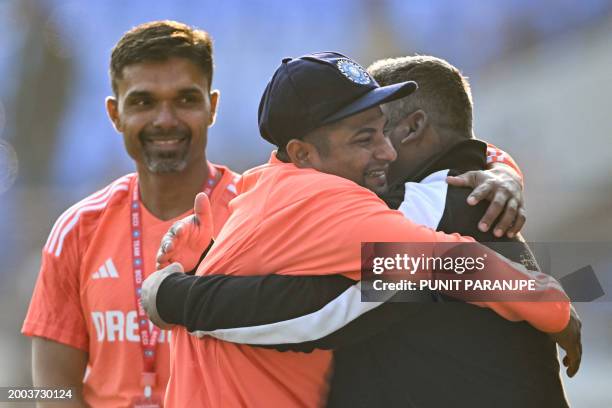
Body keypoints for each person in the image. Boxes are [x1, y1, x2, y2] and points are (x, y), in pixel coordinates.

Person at [143, 52, 573, 408]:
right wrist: (557, 305)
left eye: (383, 130)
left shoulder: (258, 186)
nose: (385, 151)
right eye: (365, 138)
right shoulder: (335, 204)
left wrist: (177, 293)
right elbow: (321, 309)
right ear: (303, 153)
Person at [21, 21, 240, 407]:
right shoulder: (76, 230)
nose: (165, 119)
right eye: (143, 102)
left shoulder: (257, 211)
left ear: (213, 107)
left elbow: (377, 277)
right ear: (115, 114)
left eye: (185, 99)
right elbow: (50, 390)